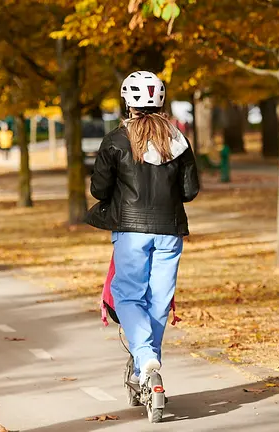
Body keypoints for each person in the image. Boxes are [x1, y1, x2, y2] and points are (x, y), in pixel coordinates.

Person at [85, 71, 200, 389]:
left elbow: (98, 189)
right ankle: (147, 368)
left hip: (131, 232)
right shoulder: (178, 140)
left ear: (127, 102)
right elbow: (189, 191)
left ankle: (146, 355)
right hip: (169, 231)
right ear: (161, 100)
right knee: (159, 300)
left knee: (127, 295)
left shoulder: (116, 140)